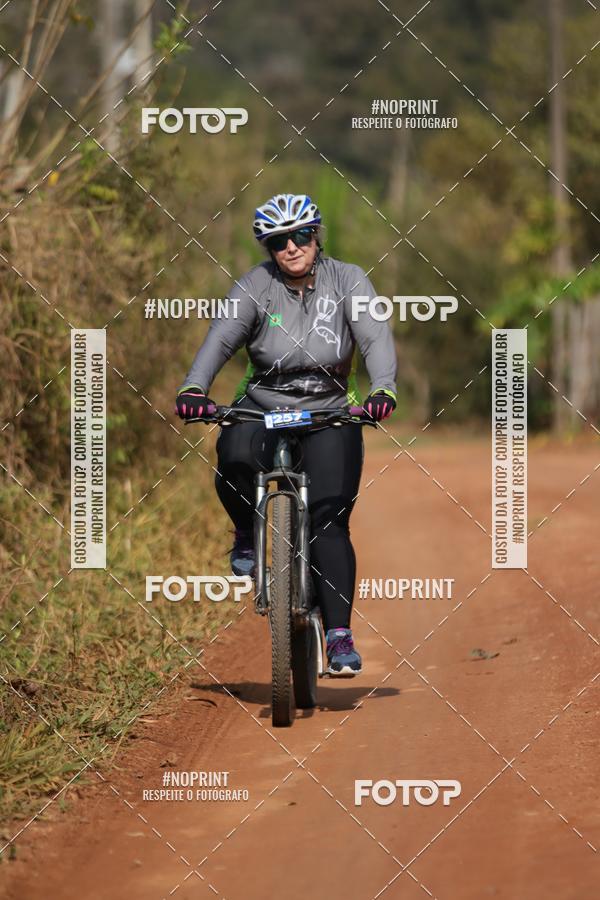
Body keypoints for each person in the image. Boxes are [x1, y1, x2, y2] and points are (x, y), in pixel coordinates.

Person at [175, 193, 397, 675]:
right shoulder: (255, 285)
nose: (291, 248)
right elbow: (221, 336)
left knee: (327, 519)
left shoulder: (349, 279)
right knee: (232, 455)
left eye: (300, 236)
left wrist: (382, 389)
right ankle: (246, 536)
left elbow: (374, 337)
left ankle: (339, 636)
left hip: (329, 409)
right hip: (263, 403)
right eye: (278, 241)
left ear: (316, 235)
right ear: (268, 247)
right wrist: (196, 387)